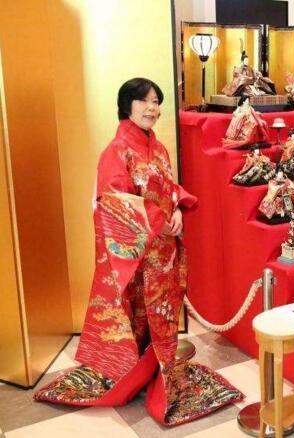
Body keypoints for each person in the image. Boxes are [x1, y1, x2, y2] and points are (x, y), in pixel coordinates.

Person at [34, 78, 243, 426]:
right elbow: (114, 201)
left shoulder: (157, 149)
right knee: (138, 315)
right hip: (136, 256)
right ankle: (134, 372)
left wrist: (178, 209)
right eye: (145, 101)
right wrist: (158, 221)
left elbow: (169, 187)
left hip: (163, 251)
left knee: (162, 314)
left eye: (156, 101)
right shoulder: (115, 152)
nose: (152, 108)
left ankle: (157, 369)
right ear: (126, 105)